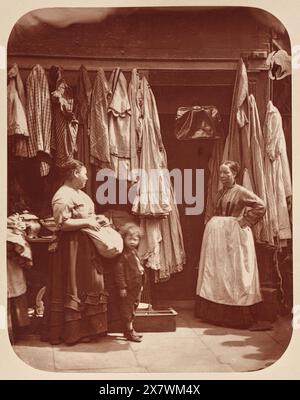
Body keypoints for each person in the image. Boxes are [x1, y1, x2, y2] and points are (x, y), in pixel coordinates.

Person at [41, 159, 109, 345]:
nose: (87, 177)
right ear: (74, 174)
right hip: (71, 249)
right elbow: (62, 224)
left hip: (85, 248)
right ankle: (72, 332)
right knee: (74, 286)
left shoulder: (79, 194)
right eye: (84, 173)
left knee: (89, 284)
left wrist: (98, 219)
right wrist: (88, 222)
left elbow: (87, 217)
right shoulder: (63, 195)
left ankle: (89, 329)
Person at [195, 160, 266, 328]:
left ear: (234, 174)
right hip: (218, 236)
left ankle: (237, 316)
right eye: (220, 173)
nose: (222, 176)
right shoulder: (220, 192)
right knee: (218, 272)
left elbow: (261, 205)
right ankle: (216, 314)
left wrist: (245, 221)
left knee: (235, 272)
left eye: (226, 173)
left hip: (234, 235)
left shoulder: (241, 191)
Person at [114, 223, 144, 342]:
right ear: (124, 238)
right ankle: (129, 331)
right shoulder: (122, 255)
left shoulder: (134, 252)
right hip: (128, 288)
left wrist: (141, 285)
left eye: (135, 239)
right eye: (129, 239)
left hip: (136, 287)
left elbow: (138, 268)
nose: (132, 242)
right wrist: (122, 287)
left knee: (133, 308)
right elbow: (119, 273)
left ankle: (129, 331)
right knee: (127, 310)